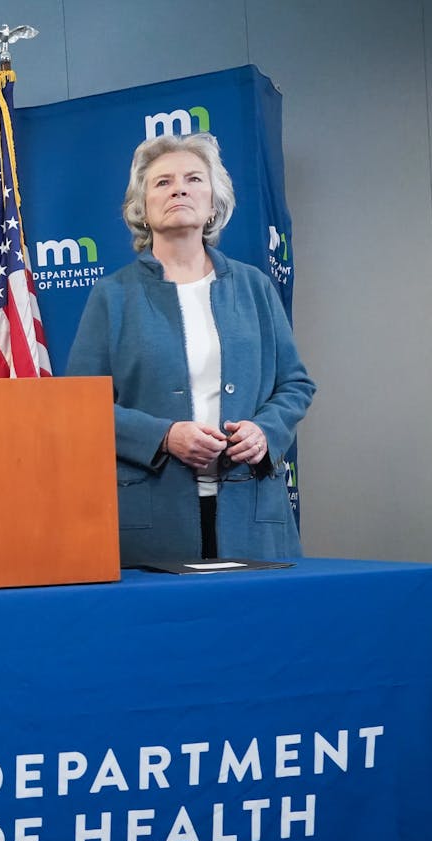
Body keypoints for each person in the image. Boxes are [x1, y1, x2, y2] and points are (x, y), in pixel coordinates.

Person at [67, 133, 314, 564]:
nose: (179, 188)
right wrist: (163, 436)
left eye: (193, 178)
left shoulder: (255, 286)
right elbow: (79, 406)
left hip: (254, 513)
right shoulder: (113, 295)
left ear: (214, 202)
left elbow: (294, 384)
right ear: (141, 207)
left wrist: (265, 432)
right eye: (162, 182)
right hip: (151, 519)